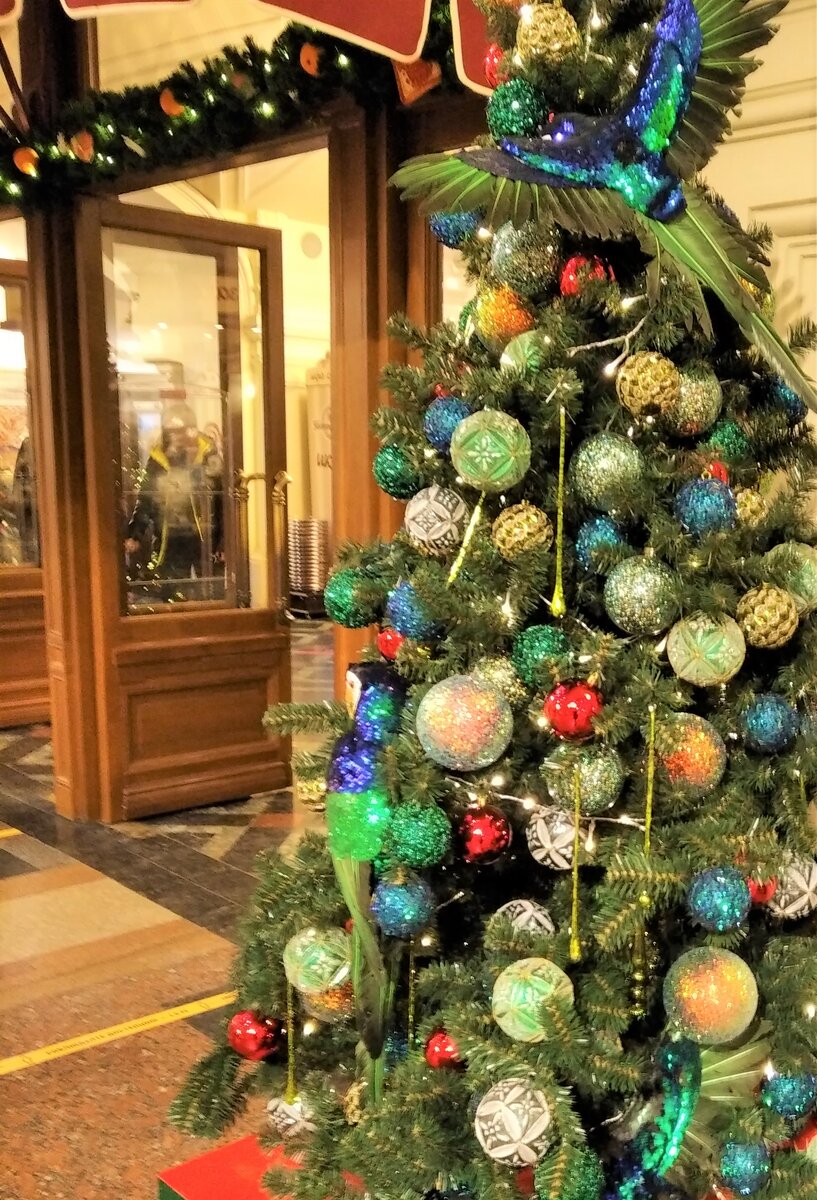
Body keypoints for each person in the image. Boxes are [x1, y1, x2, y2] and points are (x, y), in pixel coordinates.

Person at [124, 404, 224, 598]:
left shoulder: (208, 456)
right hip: (171, 538)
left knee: (211, 593)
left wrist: (223, 543)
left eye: (181, 431)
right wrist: (135, 534)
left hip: (205, 537)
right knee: (172, 592)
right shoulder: (158, 459)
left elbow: (222, 501)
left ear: (191, 431)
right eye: (171, 432)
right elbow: (147, 498)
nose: (176, 438)